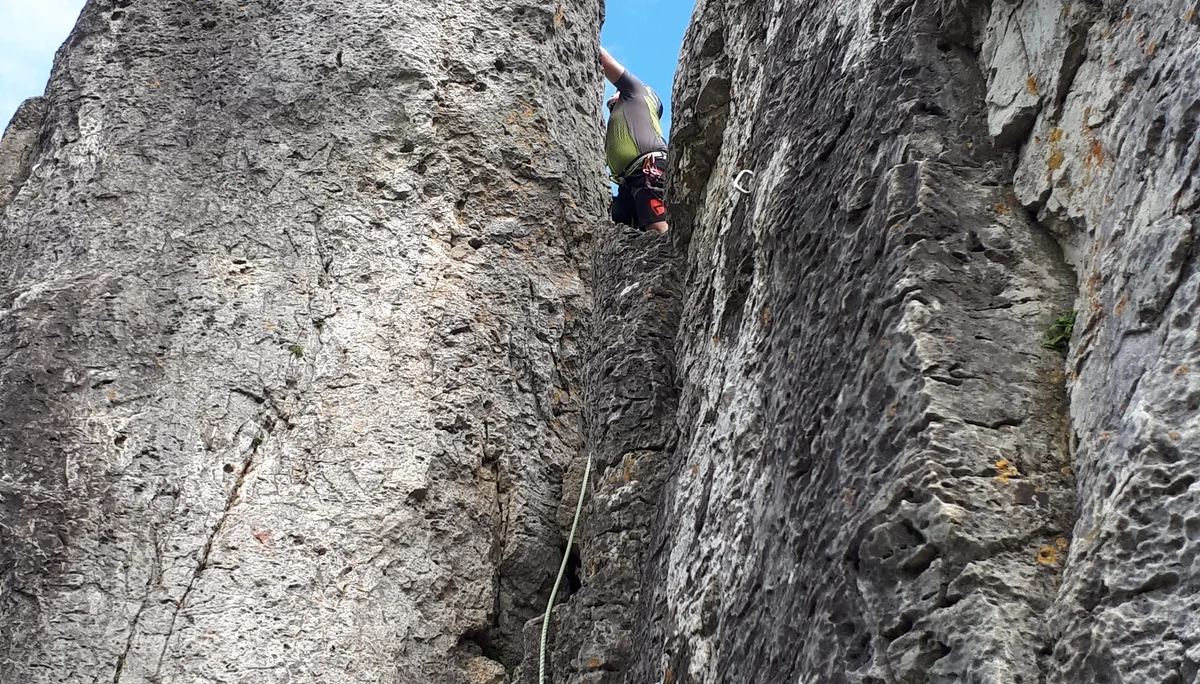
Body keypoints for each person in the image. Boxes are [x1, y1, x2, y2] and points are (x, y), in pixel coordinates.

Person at [601, 47, 669, 233]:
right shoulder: (623, 114)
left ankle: (672, 259)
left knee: (656, 226)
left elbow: (604, 60)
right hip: (629, 182)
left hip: (648, 169)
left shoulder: (636, 91)